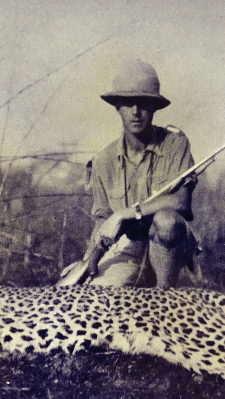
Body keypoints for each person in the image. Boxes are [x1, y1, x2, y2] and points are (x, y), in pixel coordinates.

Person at [82, 60, 201, 288]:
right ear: (117, 106)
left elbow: (181, 202)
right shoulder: (102, 161)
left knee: (166, 221)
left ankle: (165, 300)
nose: (136, 112)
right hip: (126, 252)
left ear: (155, 107)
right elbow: (102, 220)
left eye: (144, 103)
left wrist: (124, 214)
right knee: (93, 298)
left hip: (172, 252)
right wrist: (90, 258)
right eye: (128, 103)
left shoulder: (176, 145)